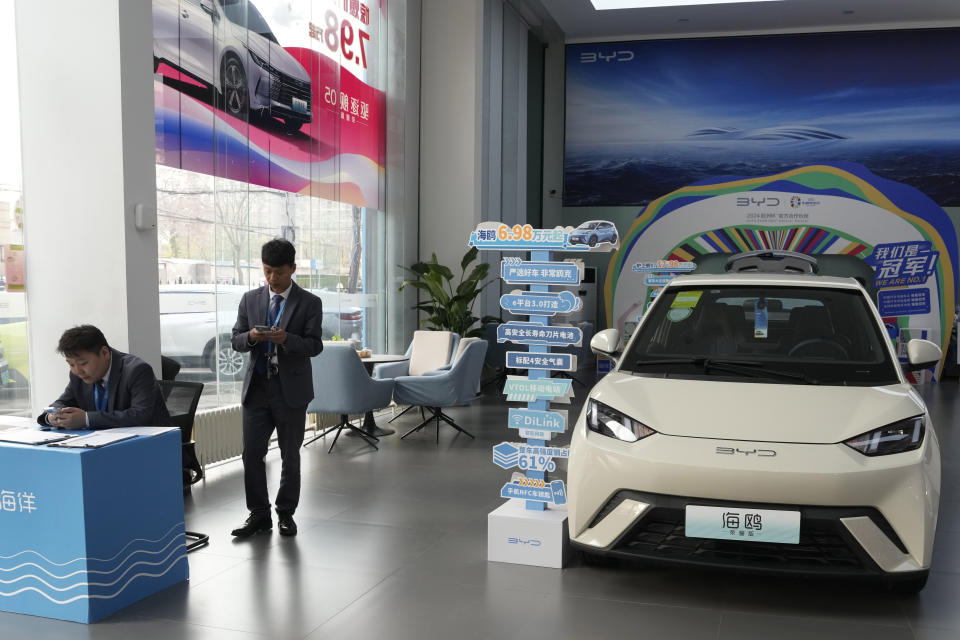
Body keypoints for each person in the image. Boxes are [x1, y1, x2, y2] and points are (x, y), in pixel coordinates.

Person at [230, 239, 324, 538]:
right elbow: (236, 339)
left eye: (279, 273)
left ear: (293, 269)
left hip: (290, 391)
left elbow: (315, 346)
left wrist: (286, 340)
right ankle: (258, 514)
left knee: (290, 454)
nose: (272, 278)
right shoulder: (250, 299)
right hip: (257, 388)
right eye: (267, 271)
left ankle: (285, 513)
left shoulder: (310, 303)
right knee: (251, 454)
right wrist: (253, 337)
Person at [37, 325, 171, 429]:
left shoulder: (137, 370)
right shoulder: (77, 375)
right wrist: (51, 417)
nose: (77, 370)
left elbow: (140, 415)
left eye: (83, 363)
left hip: (148, 448)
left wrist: (86, 419)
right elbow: (62, 402)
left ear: (105, 353)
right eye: (71, 364)